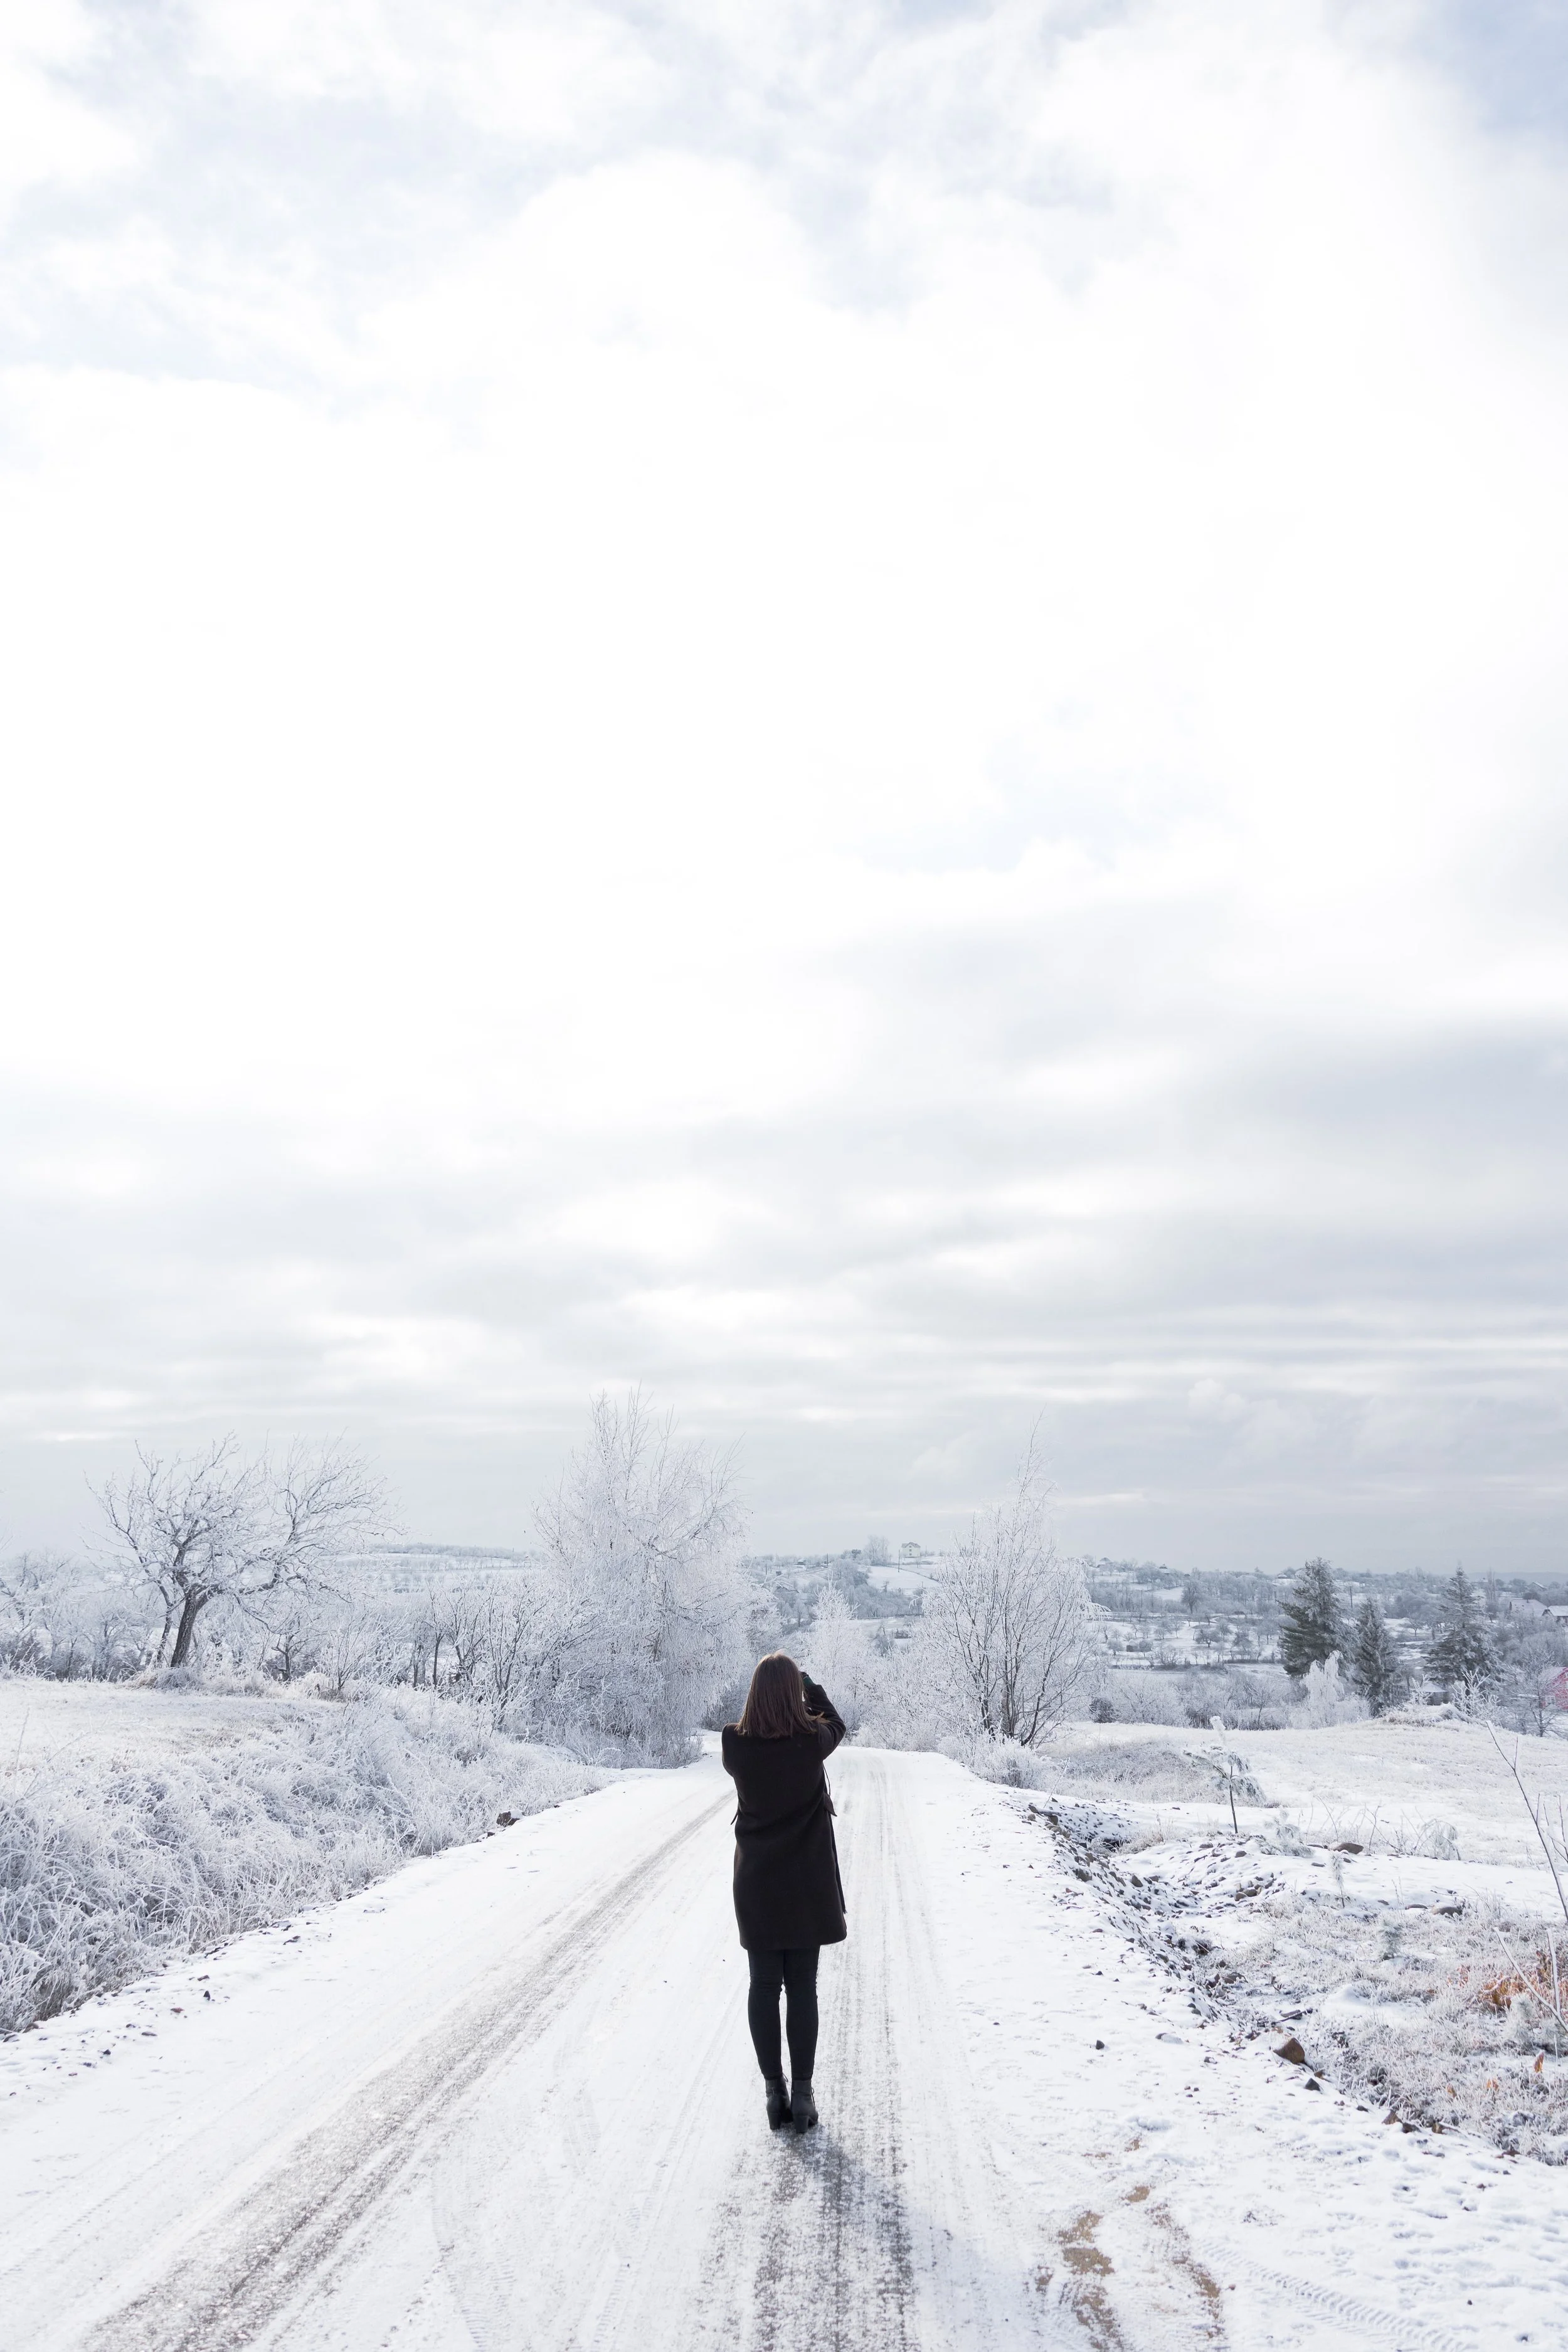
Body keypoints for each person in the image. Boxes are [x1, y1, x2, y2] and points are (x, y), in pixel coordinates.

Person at [721, 1652, 847, 2134]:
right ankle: (804, 2096)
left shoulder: (735, 1745)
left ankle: (774, 2094)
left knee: (763, 1986)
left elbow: (750, 1727)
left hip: (757, 1884)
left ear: (754, 1692)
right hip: (807, 1886)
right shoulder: (811, 1742)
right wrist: (811, 1686)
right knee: (803, 1988)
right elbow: (837, 1721)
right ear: (794, 1692)